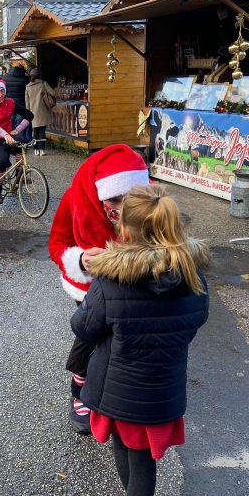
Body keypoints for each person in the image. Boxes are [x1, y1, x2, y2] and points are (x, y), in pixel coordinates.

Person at [70, 184, 209, 496]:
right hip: (164, 390)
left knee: (135, 461)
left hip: (120, 392)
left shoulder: (111, 281)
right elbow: (196, 321)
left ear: (125, 231)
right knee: (139, 459)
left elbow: (83, 327)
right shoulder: (194, 277)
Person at [48, 144, 149, 434]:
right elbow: (57, 244)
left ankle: (114, 392)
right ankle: (79, 388)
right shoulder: (76, 198)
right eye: (114, 200)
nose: (120, 209)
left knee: (123, 343)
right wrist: (78, 259)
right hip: (90, 287)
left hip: (137, 283)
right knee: (90, 337)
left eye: (129, 200)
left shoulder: (152, 203)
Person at [0, 78, 34, 204]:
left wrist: (17, 129)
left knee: (24, 142)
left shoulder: (10, 102)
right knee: (2, 161)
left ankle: (20, 170)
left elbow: (30, 115)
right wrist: (5, 135)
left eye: (2, 91)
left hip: (9, 135)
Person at [24, 68, 54, 156]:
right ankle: (42, 150)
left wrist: (28, 113)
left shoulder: (28, 87)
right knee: (42, 132)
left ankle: (35, 150)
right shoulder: (43, 84)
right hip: (43, 111)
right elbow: (53, 93)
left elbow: (27, 102)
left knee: (35, 131)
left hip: (32, 113)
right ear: (39, 75)